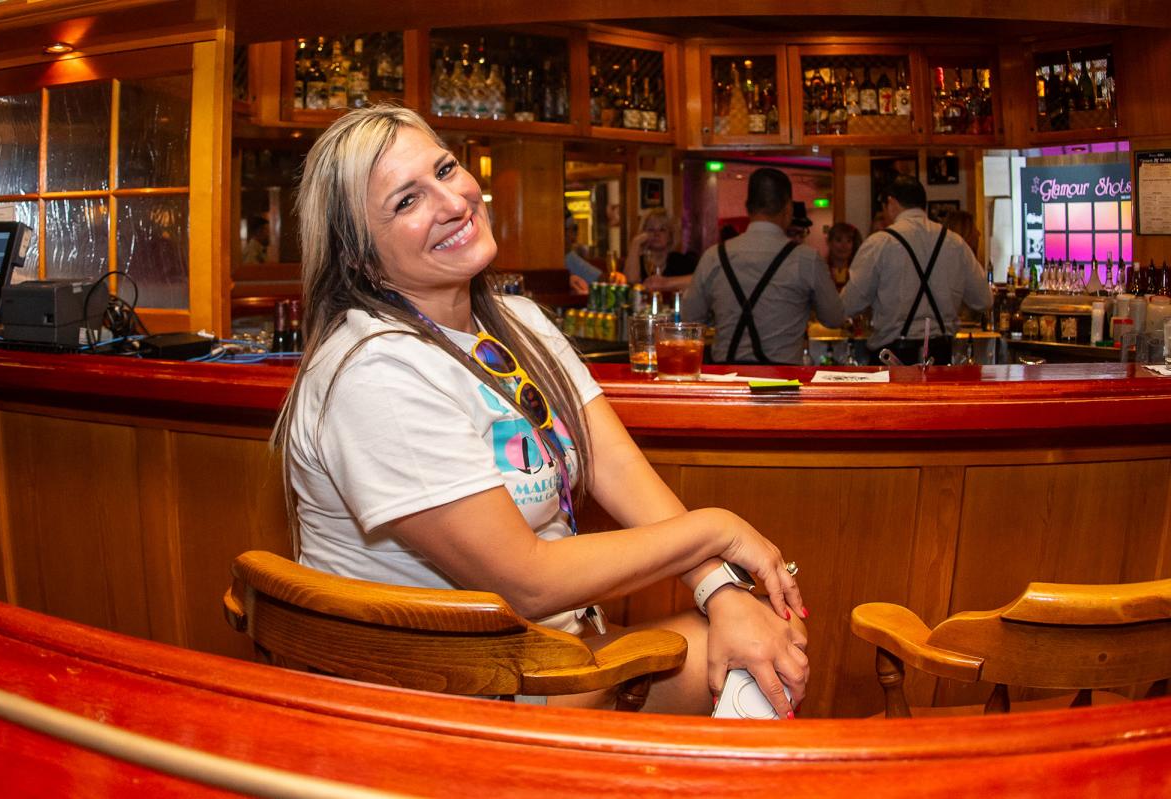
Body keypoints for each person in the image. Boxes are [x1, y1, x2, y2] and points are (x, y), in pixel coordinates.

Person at [272, 105, 807, 717]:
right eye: (407, 200)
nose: (453, 201)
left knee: (767, 637)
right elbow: (526, 580)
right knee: (766, 662)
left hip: (543, 656)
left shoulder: (517, 320)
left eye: (445, 170)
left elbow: (613, 465)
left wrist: (720, 590)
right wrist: (717, 529)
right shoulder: (375, 370)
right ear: (360, 258)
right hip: (440, 693)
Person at [682, 167, 844, 365]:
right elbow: (834, 318)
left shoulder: (714, 256)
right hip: (784, 377)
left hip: (728, 376)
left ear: (747, 207)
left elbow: (690, 319)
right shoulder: (807, 259)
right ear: (788, 209)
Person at [841, 176, 991, 366]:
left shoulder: (879, 243)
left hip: (892, 360)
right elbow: (983, 300)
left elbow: (848, 305)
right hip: (940, 359)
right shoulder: (955, 242)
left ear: (891, 203)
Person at [622, 207, 698, 292]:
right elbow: (631, 283)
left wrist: (665, 284)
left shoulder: (683, 261)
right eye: (651, 229)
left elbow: (699, 282)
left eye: (662, 230)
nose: (656, 234)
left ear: (670, 236)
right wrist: (635, 243)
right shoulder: (637, 261)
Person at [564, 208, 601, 294]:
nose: (574, 238)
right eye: (572, 230)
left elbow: (599, 278)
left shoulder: (570, 257)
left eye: (575, 230)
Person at [825, 222, 863, 292]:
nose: (844, 245)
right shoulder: (821, 269)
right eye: (838, 240)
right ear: (829, 242)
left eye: (848, 241)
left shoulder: (859, 271)